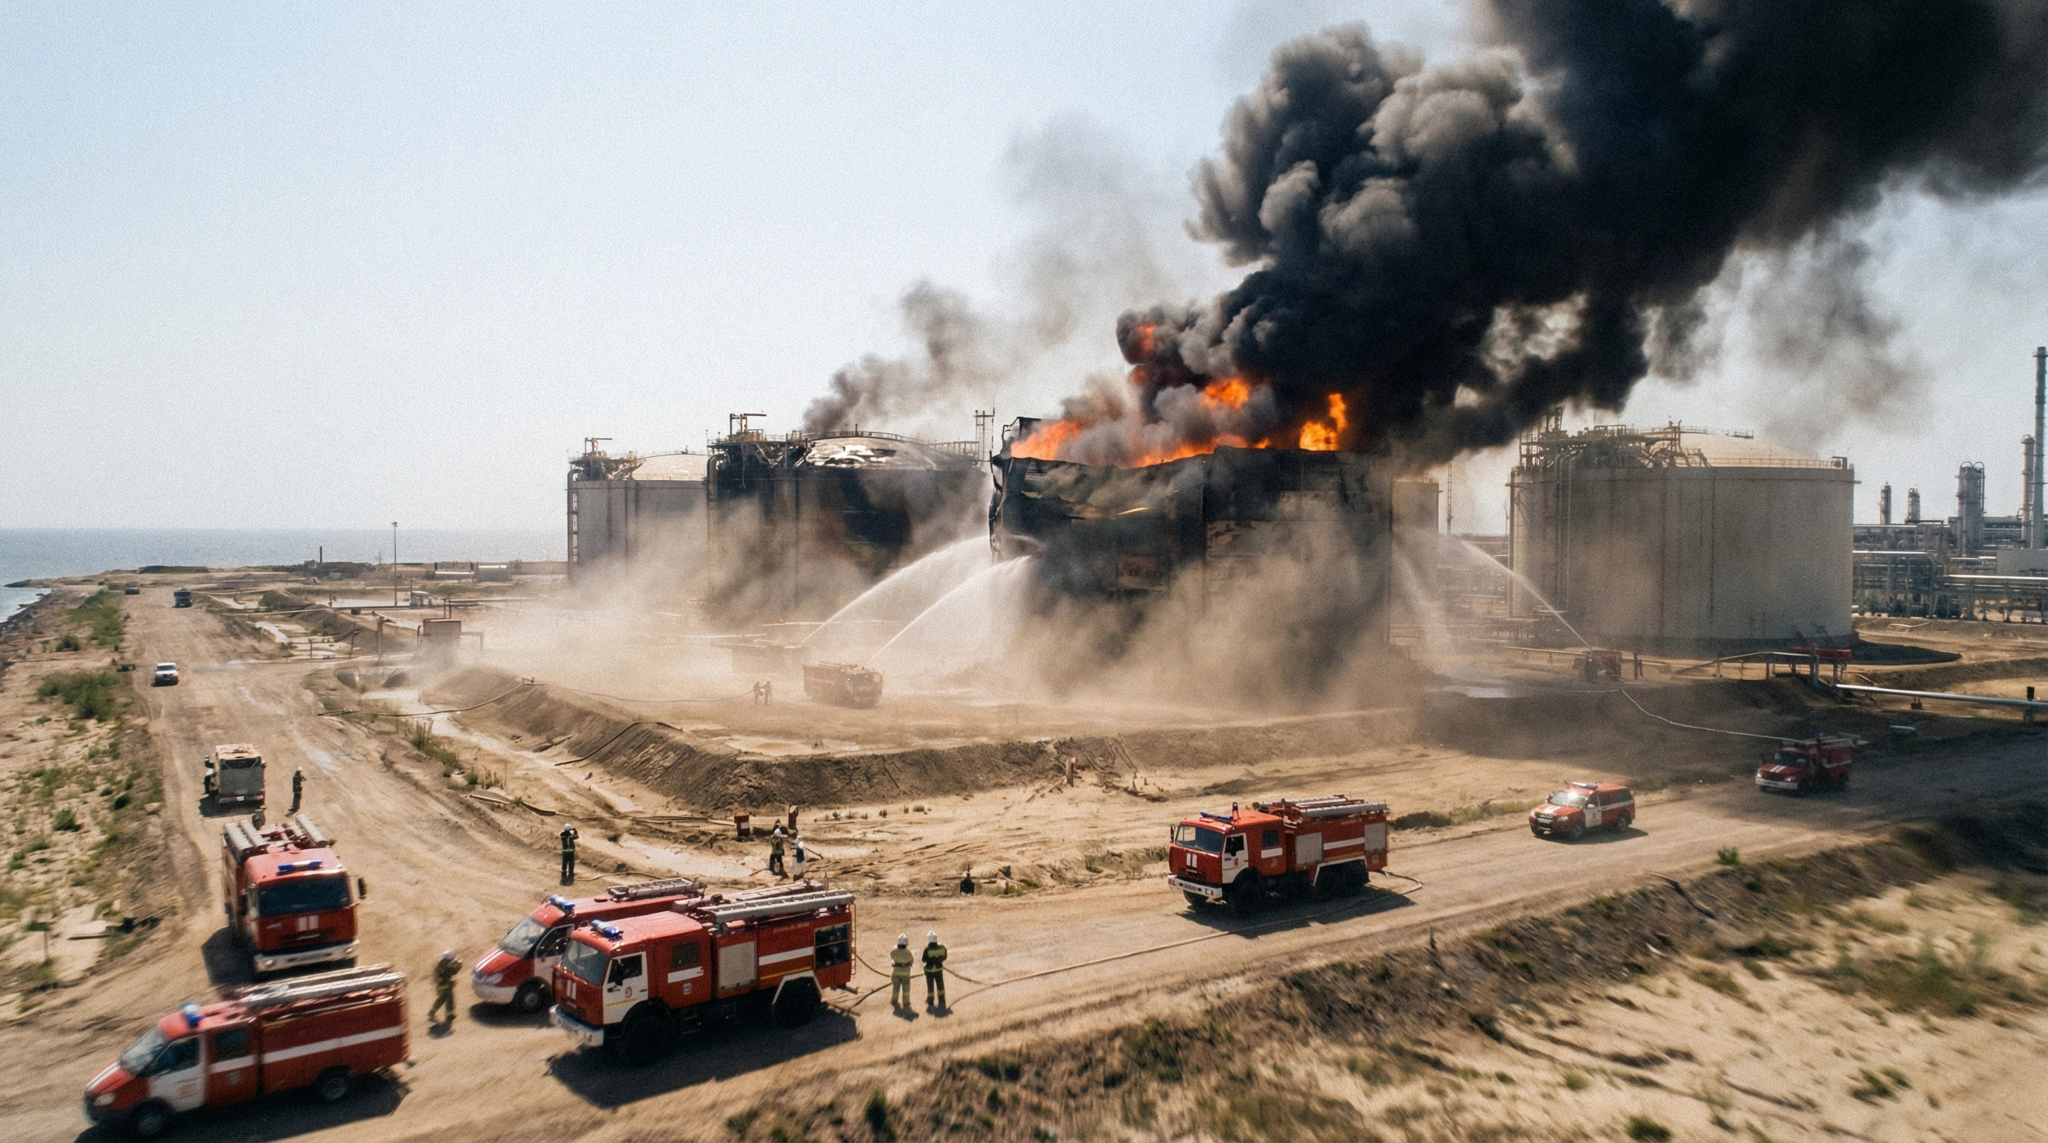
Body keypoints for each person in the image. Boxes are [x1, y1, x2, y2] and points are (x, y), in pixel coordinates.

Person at [430, 949, 460, 1024]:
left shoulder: (441, 963)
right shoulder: (448, 966)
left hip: (441, 985)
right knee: (443, 1000)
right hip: (445, 985)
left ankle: (449, 1014)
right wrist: (457, 967)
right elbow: (451, 973)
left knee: (449, 999)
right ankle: (432, 1013)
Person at [922, 931, 948, 1010]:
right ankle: (942, 999)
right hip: (939, 969)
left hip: (929, 971)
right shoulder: (942, 947)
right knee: (940, 984)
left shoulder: (927, 949)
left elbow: (923, 959)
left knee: (930, 986)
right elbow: (945, 957)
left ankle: (930, 1001)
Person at [889, 934, 914, 1011]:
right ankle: (906, 1003)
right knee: (906, 989)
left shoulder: (894, 952)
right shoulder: (908, 953)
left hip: (896, 972)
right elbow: (911, 961)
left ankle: (894, 1001)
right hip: (905, 973)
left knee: (895, 988)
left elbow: (892, 956)